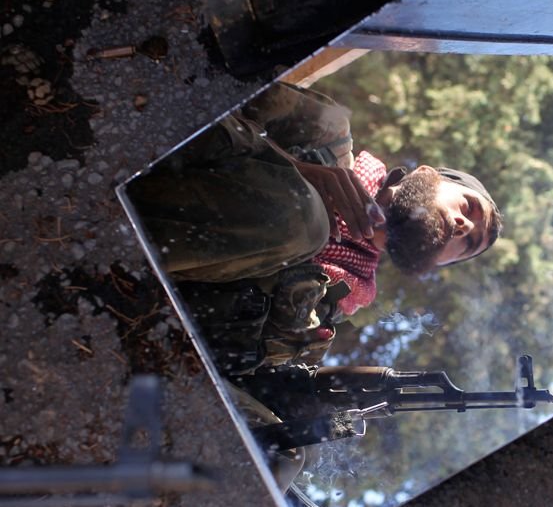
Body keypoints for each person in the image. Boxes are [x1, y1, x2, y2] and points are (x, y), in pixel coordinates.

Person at [126, 81, 502, 371]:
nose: (463, 225)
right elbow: (185, 95)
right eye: (468, 207)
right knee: (307, 223)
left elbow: (212, 356)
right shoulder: (325, 132)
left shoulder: (332, 301)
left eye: (468, 245)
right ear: (428, 174)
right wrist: (292, 167)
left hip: (127, 284)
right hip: (123, 179)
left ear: (439, 263)